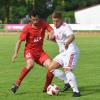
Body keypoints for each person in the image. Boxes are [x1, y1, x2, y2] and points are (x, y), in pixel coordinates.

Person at [11, 10, 67, 94]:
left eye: (37, 19)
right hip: (29, 51)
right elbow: (19, 41)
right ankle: (17, 84)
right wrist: (15, 53)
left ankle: (46, 87)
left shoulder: (43, 23)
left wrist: (51, 34)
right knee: (30, 64)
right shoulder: (27, 28)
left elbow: (51, 30)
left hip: (40, 53)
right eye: (33, 20)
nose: (36, 21)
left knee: (52, 67)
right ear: (30, 19)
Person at [48, 11, 81, 97]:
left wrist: (67, 43)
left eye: (57, 21)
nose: (55, 23)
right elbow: (59, 40)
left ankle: (76, 92)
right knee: (51, 67)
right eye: (53, 21)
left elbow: (72, 36)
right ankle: (67, 81)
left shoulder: (65, 26)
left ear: (61, 19)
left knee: (67, 70)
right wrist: (50, 38)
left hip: (71, 51)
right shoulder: (55, 28)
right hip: (63, 52)